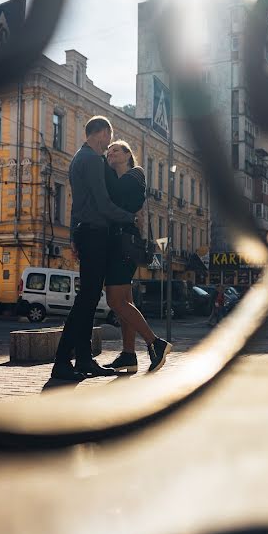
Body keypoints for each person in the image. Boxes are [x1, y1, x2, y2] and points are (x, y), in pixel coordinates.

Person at [51, 116, 137, 381]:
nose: (109, 143)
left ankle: (85, 360)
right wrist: (129, 217)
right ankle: (63, 362)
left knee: (87, 301)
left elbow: (78, 205)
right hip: (95, 234)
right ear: (101, 133)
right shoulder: (90, 160)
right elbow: (101, 203)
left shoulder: (81, 157)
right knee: (86, 300)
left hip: (87, 233)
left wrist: (74, 236)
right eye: (108, 138)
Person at [103, 140, 173, 373]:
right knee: (126, 303)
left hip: (125, 244)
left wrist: (102, 169)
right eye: (108, 151)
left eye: (115, 151)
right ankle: (129, 355)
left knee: (115, 301)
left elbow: (118, 192)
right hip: (118, 242)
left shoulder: (136, 174)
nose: (110, 153)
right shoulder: (116, 178)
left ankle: (155, 343)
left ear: (127, 155)